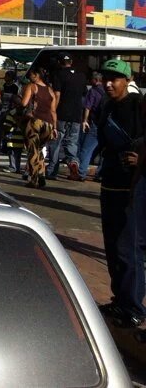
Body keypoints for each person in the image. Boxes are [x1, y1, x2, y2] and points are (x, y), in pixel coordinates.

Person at [95, 59, 146, 328]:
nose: (109, 83)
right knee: (113, 248)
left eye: (115, 78)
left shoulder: (139, 106)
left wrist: (141, 161)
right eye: (106, 78)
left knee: (130, 248)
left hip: (134, 188)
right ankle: (120, 299)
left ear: (128, 80)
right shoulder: (106, 108)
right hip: (110, 184)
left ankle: (134, 307)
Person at [20, 66, 57, 190]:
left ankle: (34, 179)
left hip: (35, 121)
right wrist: (55, 128)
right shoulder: (50, 90)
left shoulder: (32, 87)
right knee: (39, 149)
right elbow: (53, 111)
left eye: (31, 75)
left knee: (32, 150)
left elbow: (24, 103)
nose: (29, 77)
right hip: (49, 124)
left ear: (36, 75)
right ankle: (42, 175)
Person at [51, 54, 87, 180]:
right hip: (77, 114)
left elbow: (57, 95)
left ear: (61, 62)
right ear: (71, 62)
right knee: (72, 142)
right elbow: (83, 96)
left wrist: (53, 111)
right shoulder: (81, 76)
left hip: (62, 113)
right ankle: (73, 162)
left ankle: (52, 171)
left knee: (56, 142)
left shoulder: (58, 75)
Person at [78, 72, 106, 180]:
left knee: (86, 149)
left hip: (95, 124)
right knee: (103, 150)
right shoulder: (106, 92)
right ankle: (100, 174)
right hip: (105, 125)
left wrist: (84, 120)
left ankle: (81, 173)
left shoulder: (93, 91)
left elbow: (87, 108)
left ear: (95, 80)